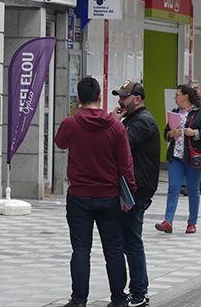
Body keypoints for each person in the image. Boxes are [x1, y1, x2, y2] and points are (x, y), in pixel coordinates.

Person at [55, 77, 135, 307]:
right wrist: (130, 194)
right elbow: (125, 164)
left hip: (79, 195)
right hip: (109, 196)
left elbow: (60, 143)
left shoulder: (71, 123)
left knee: (81, 250)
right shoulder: (116, 125)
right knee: (114, 250)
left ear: (78, 98)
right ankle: (119, 299)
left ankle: (79, 300)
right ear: (100, 97)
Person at [112, 81, 160, 307]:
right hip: (131, 188)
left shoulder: (143, 122)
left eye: (125, 96)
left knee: (131, 241)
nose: (121, 100)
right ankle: (137, 291)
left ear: (137, 99)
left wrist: (114, 121)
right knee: (127, 241)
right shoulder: (132, 119)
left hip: (136, 190)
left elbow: (120, 144)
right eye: (120, 96)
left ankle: (139, 293)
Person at [155, 84, 201, 235]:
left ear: (185, 96)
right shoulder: (175, 112)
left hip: (194, 156)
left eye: (177, 94)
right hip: (176, 156)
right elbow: (165, 134)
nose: (175, 97)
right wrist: (171, 134)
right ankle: (168, 221)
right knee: (173, 188)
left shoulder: (200, 112)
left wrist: (194, 133)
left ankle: (192, 223)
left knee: (193, 190)